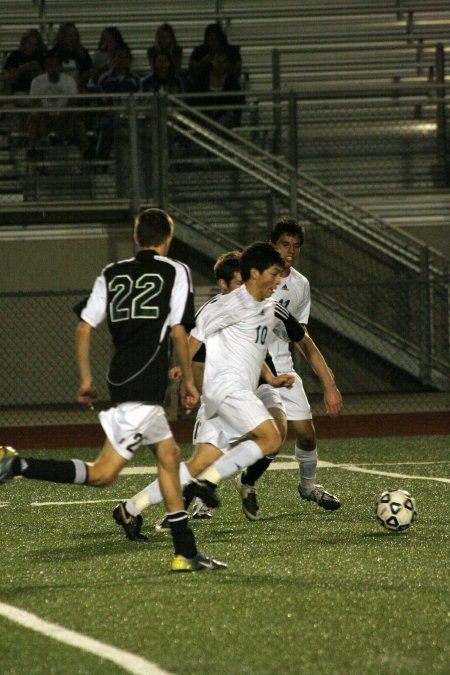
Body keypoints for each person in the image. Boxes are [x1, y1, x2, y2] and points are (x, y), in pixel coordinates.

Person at [0, 208, 226, 573]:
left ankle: (185, 552)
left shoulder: (112, 272)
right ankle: (17, 464)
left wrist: (87, 380)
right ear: (167, 239)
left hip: (120, 376)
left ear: (136, 237)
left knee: (168, 458)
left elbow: (84, 330)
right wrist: (187, 380)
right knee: (104, 474)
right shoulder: (175, 270)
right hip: (145, 381)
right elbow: (179, 333)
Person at [112, 242, 337, 539]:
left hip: (238, 390)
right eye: (273, 274)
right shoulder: (226, 306)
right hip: (225, 389)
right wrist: (187, 379)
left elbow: (253, 349)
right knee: (271, 438)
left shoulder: (269, 308)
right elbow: (193, 340)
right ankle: (208, 483)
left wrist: (270, 378)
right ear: (254, 273)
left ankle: (130, 509)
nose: (278, 280)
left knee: (197, 465)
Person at [263, 216, 343, 510]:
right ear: (272, 245)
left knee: (307, 434)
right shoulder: (253, 275)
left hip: (282, 367)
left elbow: (301, 336)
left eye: (296, 246)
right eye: (285, 244)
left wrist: (329, 384)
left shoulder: (300, 285)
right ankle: (201, 499)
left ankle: (308, 486)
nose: (290, 251)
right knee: (231, 436)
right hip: (247, 367)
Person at [27, 49, 90, 159]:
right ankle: (31, 149)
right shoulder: (37, 81)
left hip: (65, 118)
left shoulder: (69, 81)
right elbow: (35, 102)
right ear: (46, 67)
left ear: (60, 67)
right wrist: (46, 115)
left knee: (77, 118)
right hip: (44, 118)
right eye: (50, 65)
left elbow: (72, 102)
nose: (53, 68)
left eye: (56, 65)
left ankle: (86, 149)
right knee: (33, 119)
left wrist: (62, 115)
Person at [95, 43, 141, 160]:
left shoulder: (135, 80)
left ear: (129, 59)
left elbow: (139, 101)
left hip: (130, 116)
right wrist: (112, 113)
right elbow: (101, 102)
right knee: (105, 126)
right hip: (110, 116)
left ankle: (136, 159)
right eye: (119, 56)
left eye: (125, 57)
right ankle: (102, 161)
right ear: (113, 58)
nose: (122, 60)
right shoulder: (104, 79)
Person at [189, 47, 244, 128]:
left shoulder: (232, 80)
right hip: (205, 113)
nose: (220, 65)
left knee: (223, 121)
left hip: (224, 115)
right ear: (212, 61)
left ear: (228, 63)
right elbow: (196, 98)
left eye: (223, 62)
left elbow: (236, 102)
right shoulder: (203, 78)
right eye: (217, 61)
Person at [188, 22, 241, 89]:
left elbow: (237, 72)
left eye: (216, 40)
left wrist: (225, 65)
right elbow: (191, 72)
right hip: (203, 87)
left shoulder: (231, 51)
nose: (214, 43)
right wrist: (202, 63)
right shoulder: (200, 51)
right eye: (211, 40)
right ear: (206, 40)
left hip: (227, 86)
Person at [3, 28, 47, 97]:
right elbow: (10, 80)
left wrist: (38, 68)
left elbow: (47, 80)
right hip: (19, 91)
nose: (30, 46)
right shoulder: (15, 56)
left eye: (34, 44)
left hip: (38, 91)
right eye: (29, 43)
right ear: (24, 42)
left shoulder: (41, 57)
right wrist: (22, 68)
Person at [52, 22, 93, 92]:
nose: (73, 38)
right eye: (70, 35)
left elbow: (88, 71)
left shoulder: (83, 53)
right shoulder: (54, 53)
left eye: (75, 35)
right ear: (63, 36)